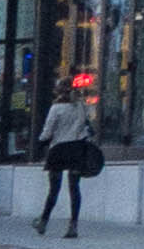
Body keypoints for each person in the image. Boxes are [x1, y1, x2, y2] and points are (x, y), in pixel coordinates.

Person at [33, 79, 102, 238]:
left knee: (54, 189)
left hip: (58, 150)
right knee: (74, 189)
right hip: (77, 149)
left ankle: (43, 221)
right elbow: (88, 127)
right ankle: (73, 226)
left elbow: (48, 132)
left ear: (58, 91)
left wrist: (40, 142)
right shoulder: (80, 107)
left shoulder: (56, 108)